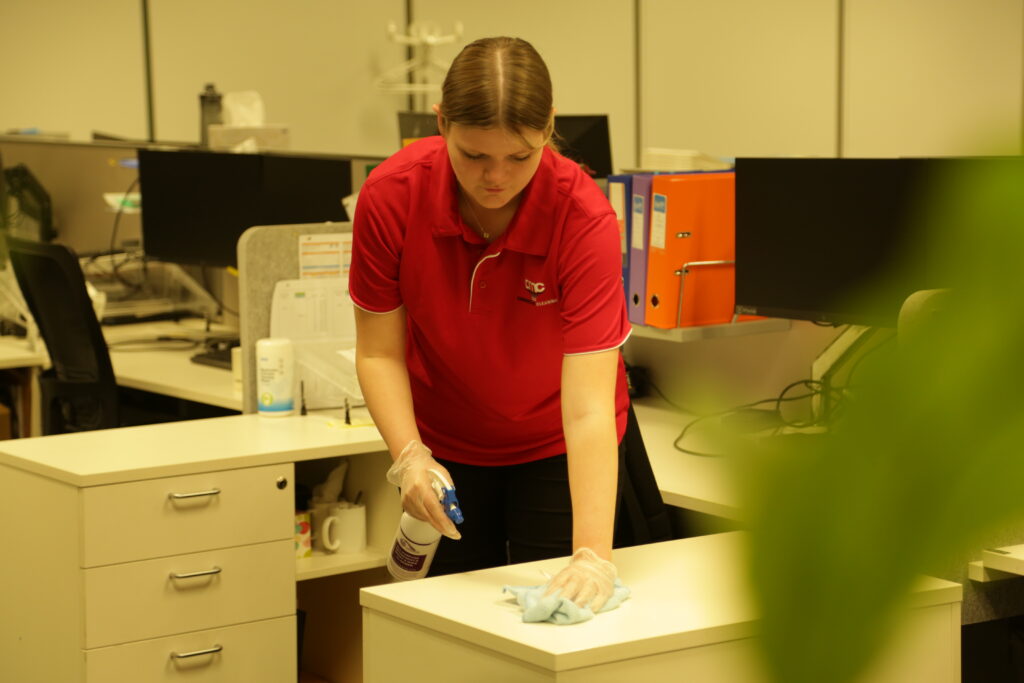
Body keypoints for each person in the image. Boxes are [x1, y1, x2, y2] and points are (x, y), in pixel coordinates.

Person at [349, 36, 638, 612]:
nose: (496, 178)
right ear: (441, 123)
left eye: (520, 157)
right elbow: (379, 351)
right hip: (445, 449)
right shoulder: (391, 197)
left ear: (550, 126)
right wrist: (408, 455)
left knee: (560, 618)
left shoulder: (582, 219)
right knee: (448, 622)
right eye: (474, 156)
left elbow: (586, 409)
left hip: (558, 446)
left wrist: (592, 555)